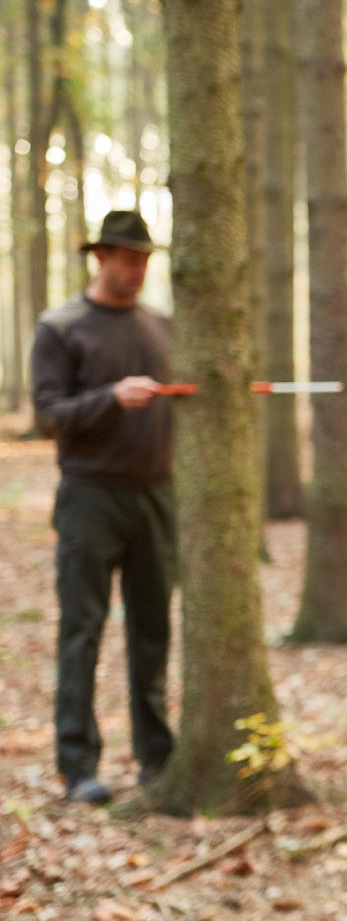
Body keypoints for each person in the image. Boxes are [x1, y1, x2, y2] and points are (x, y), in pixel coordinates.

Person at [31, 209, 176, 805]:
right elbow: (47, 416)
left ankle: (158, 758)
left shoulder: (163, 326)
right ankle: (77, 764)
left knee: (153, 631)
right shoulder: (61, 327)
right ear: (101, 257)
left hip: (156, 496)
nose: (137, 268)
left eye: (144, 258)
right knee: (82, 629)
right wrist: (111, 400)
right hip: (90, 495)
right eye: (127, 257)